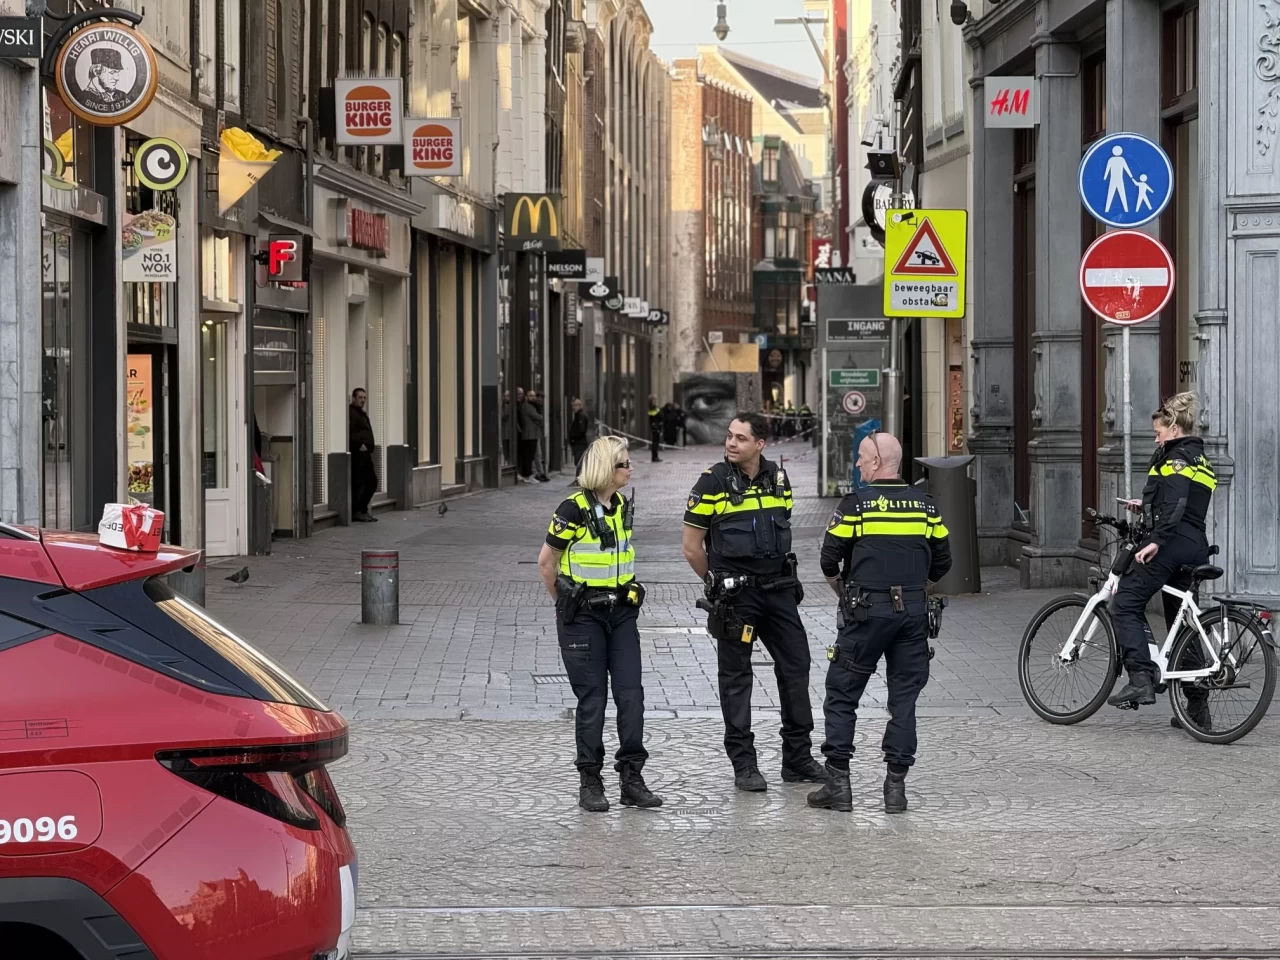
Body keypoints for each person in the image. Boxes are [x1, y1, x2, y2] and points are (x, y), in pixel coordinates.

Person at [807, 430, 951, 814]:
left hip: (865, 613)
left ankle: (838, 784)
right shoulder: (925, 506)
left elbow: (828, 560)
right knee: (904, 700)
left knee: (841, 694)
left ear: (876, 462)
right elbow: (944, 560)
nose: (857, 464)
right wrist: (919, 589)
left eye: (860, 457)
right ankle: (895, 789)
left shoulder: (856, 505)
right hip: (913, 614)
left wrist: (846, 592)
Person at [682, 412, 825, 791]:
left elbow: (784, 522)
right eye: (729, 435)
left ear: (760, 444)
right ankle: (744, 764)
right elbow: (691, 547)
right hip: (737, 597)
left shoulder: (779, 478)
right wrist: (715, 584)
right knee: (736, 678)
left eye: (741, 438)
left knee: (797, 666)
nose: (731, 443)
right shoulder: (711, 483)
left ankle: (797, 759)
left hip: (778, 592)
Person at [537, 436, 662, 812]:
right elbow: (547, 563)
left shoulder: (622, 505)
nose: (630, 468)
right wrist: (566, 606)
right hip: (584, 617)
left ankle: (631, 778)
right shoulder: (571, 509)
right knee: (593, 700)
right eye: (624, 463)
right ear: (606, 469)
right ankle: (590, 781)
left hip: (621, 613)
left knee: (631, 696)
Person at [1107, 392, 1217, 716]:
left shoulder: (1177, 457)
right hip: (1194, 544)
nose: (1156, 437)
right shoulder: (1201, 458)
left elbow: (1179, 501)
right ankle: (1198, 711)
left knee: (1125, 601)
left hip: (1173, 542)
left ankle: (1140, 678)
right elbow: (1183, 500)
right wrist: (1145, 505)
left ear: (1173, 428)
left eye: (1158, 432)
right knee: (1182, 624)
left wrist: (1156, 539)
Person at [349, 388, 378, 523]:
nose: (362, 400)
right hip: (359, 455)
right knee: (365, 482)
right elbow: (351, 432)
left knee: (370, 482)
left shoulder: (361, 413)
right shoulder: (352, 413)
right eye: (360, 397)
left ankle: (361, 510)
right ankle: (358, 510)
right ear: (353, 398)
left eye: (364, 398)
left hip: (365, 454)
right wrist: (359, 445)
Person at [518, 388, 543, 483]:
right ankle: (527, 475)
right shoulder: (527, 406)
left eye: (534, 396)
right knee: (528, 455)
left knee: (532, 455)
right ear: (526, 397)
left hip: (533, 434)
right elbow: (538, 417)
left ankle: (530, 474)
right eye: (530, 396)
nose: (533, 398)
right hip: (529, 434)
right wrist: (539, 418)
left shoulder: (532, 406)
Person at [528, 389, 551, 483]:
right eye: (539, 397)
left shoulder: (537, 406)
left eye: (542, 398)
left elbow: (539, 419)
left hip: (536, 433)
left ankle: (539, 472)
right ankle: (537, 473)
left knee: (537, 453)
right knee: (535, 453)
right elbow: (538, 418)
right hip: (531, 433)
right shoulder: (531, 406)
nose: (540, 400)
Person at [568, 398, 591, 472]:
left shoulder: (581, 415)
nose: (573, 407)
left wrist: (574, 437)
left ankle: (579, 479)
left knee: (579, 462)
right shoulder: (578, 415)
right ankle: (579, 479)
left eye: (576, 405)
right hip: (578, 443)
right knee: (579, 462)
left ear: (580, 406)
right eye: (572, 406)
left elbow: (582, 430)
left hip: (580, 443)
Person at [647, 395, 663, 463]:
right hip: (655, 427)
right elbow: (653, 416)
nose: (655, 401)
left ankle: (656, 456)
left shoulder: (655, 407)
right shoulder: (652, 408)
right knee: (655, 442)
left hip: (657, 426)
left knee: (656, 442)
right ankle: (654, 457)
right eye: (654, 400)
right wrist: (656, 425)